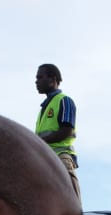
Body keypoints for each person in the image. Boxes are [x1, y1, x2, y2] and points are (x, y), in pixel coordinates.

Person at [34, 63, 80, 202]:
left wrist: (38, 141)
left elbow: (66, 130)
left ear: (53, 80)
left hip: (61, 157)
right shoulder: (43, 109)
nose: (36, 81)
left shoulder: (64, 101)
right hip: (46, 159)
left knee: (70, 201)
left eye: (40, 77)